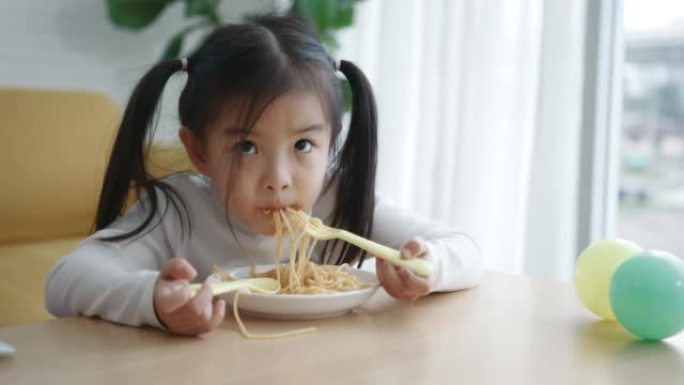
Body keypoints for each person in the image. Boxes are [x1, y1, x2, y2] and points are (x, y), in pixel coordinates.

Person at [45, 15, 482, 336]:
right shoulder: (179, 210)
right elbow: (66, 281)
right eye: (247, 148)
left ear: (332, 141)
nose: (278, 178)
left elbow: (466, 250)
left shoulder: (338, 199)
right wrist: (154, 300)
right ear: (198, 151)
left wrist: (428, 267)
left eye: (303, 146)